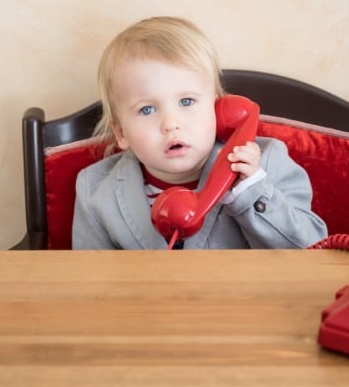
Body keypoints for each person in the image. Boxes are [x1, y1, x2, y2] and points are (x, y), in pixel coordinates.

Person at [72, 16, 327, 249]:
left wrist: (251, 190)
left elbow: (311, 248)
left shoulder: (267, 162)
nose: (170, 124)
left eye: (186, 102)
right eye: (147, 109)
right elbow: (90, 281)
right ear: (121, 133)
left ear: (218, 110)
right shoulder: (94, 190)